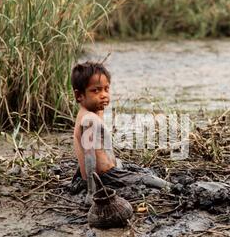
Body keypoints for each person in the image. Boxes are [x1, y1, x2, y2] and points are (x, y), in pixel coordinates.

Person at [70, 61, 172, 205]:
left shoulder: (87, 112)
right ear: (79, 95)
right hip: (107, 177)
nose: (103, 95)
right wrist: (92, 193)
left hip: (105, 172)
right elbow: (89, 157)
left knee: (143, 171)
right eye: (96, 90)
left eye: (106, 89)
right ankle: (173, 188)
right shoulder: (89, 120)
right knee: (154, 181)